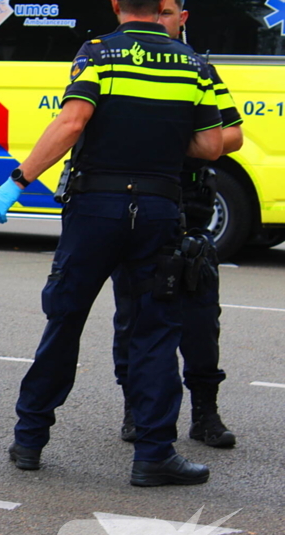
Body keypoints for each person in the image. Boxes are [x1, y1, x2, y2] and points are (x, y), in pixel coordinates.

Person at [0, 0, 223, 486]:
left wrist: (17, 180)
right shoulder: (193, 63)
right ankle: (154, 455)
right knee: (154, 332)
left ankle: (29, 440)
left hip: (95, 208)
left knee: (64, 323)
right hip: (157, 210)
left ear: (116, 5)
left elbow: (72, 123)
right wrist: (159, 137)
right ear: (162, 9)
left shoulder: (99, 53)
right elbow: (213, 145)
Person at [113, 0, 243, 449]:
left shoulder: (198, 69)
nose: (159, 20)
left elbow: (233, 135)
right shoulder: (113, 59)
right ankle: (136, 408)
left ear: (181, 19)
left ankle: (204, 412)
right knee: (133, 315)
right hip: (138, 208)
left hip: (188, 210)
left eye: (168, 13)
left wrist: (175, 140)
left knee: (201, 317)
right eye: (156, 11)